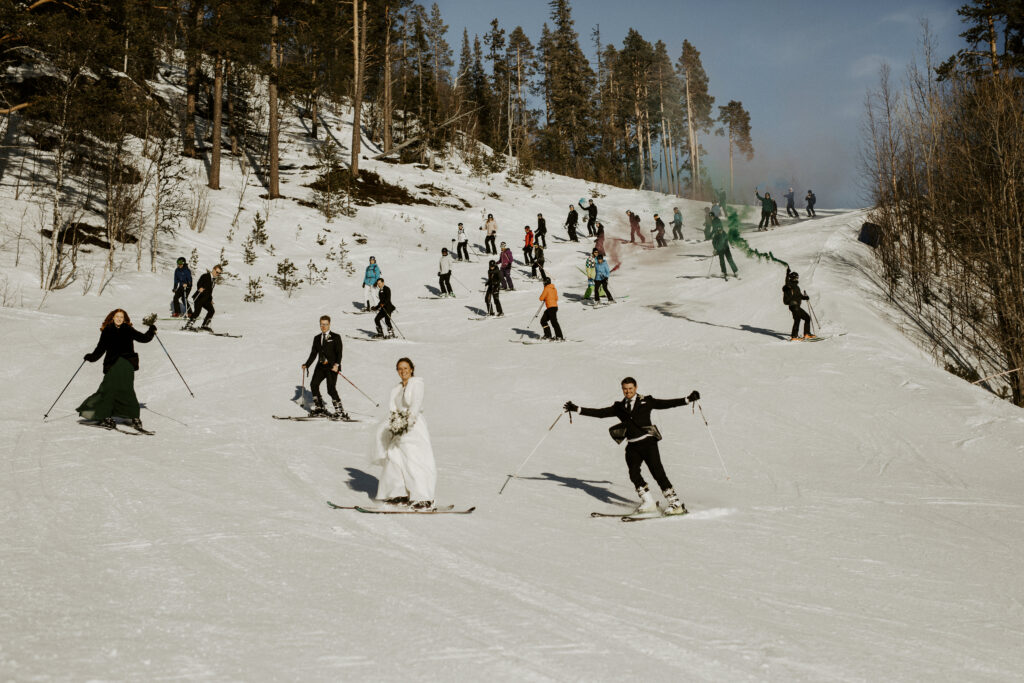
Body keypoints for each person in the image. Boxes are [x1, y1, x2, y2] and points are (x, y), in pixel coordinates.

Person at [562, 378, 700, 515]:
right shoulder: (619, 407)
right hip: (632, 445)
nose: (628, 391)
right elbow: (600, 413)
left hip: (648, 443)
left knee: (657, 472)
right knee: (633, 474)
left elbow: (666, 404)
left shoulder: (647, 401)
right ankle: (648, 502)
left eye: (630, 388)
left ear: (636, 388)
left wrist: (688, 399)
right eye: (625, 389)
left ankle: (675, 503)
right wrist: (577, 409)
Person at [373, 357, 436, 510]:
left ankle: (423, 497)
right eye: (400, 369)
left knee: (414, 459)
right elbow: (393, 408)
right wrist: (395, 424)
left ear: (411, 369)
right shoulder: (397, 388)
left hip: (413, 426)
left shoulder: (417, 384)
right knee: (394, 458)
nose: (403, 372)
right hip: (398, 426)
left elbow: (415, 404)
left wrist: (408, 421)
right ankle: (398, 493)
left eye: (405, 368)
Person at [77, 309, 156, 432]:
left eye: (121, 317)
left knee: (127, 390)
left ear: (125, 319)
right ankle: (104, 415)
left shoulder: (128, 329)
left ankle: (134, 417)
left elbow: (143, 338)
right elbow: (100, 348)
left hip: (127, 364)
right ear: (112, 318)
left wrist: (151, 331)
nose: (119, 318)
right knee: (108, 389)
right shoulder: (107, 331)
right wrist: (91, 357)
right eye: (117, 316)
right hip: (112, 364)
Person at [302, 316, 348, 419]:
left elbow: (339, 353)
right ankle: (320, 407)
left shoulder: (336, 337)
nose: (323, 326)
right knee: (314, 384)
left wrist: (337, 365)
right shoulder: (317, 338)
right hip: (321, 366)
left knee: (331, 389)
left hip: (332, 367)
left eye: (325, 324)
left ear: (329, 324)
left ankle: (340, 411)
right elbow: (313, 353)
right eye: (321, 324)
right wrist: (307, 364)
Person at [185, 264, 222, 330]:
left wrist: (210, 299)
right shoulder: (205, 276)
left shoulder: (213, 280)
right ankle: (188, 325)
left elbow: (209, 291)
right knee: (197, 312)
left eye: (219, 273)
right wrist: (200, 287)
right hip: (199, 297)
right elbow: (199, 282)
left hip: (206, 299)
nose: (217, 274)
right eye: (217, 272)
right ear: (213, 270)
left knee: (211, 311)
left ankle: (205, 325)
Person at [783, 269, 814, 340]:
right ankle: (804, 334)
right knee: (806, 318)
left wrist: (805, 297)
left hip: (795, 306)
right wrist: (787, 274)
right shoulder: (789, 285)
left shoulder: (796, 287)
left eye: (797, 277)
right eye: (796, 277)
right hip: (794, 305)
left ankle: (796, 336)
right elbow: (787, 283)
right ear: (793, 278)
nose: (797, 278)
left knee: (798, 319)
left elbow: (799, 296)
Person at [711, 215, 738, 280]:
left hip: (726, 249)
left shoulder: (724, 233)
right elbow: (713, 242)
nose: (720, 231)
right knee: (722, 261)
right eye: (719, 230)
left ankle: (735, 271)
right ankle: (724, 272)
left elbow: (728, 239)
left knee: (730, 260)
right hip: (720, 250)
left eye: (721, 229)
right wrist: (715, 249)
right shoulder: (716, 235)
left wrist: (731, 244)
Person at [539, 276, 564, 341]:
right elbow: (556, 298)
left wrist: (545, 298)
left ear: (545, 282)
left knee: (554, 322)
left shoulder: (546, 288)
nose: (543, 283)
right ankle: (548, 335)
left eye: (543, 282)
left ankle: (559, 336)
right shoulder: (554, 288)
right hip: (554, 307)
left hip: (551, 307)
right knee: (543, 321)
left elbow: (541, 298)